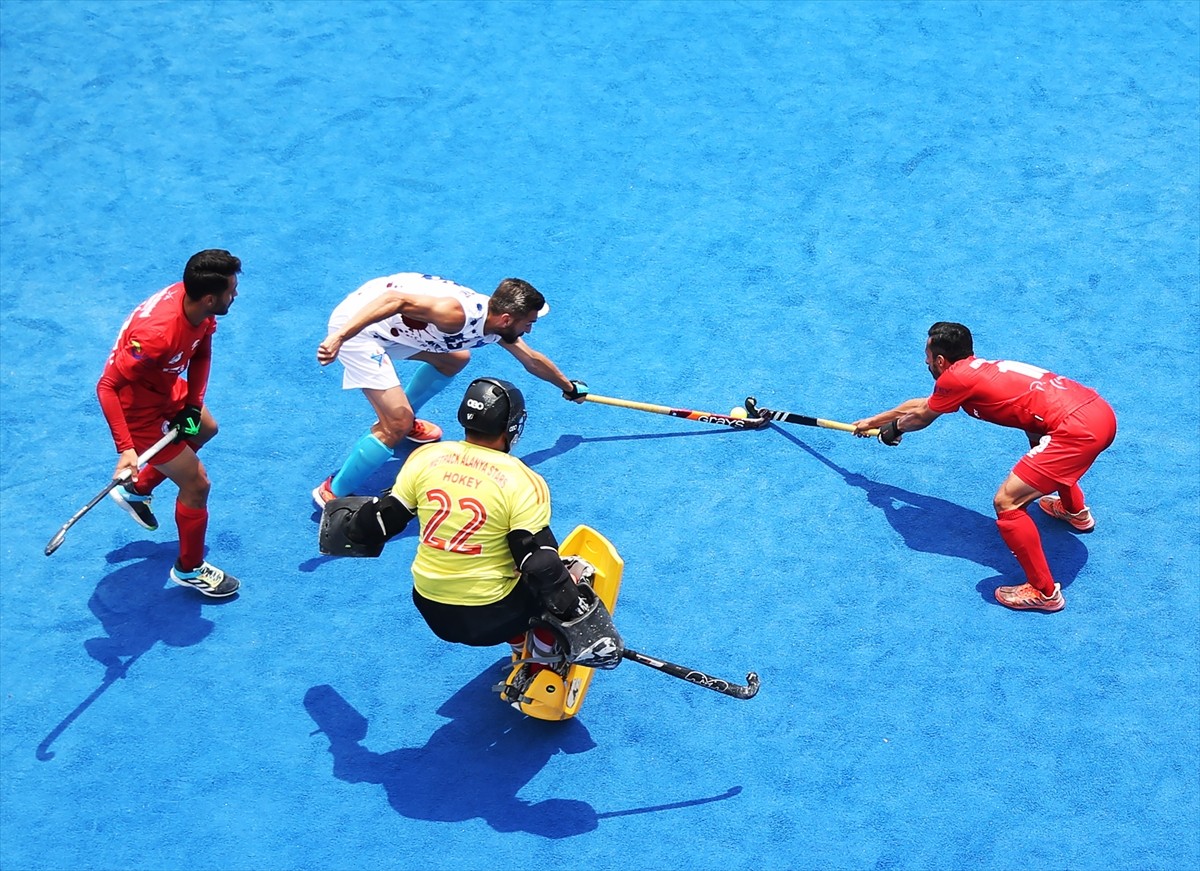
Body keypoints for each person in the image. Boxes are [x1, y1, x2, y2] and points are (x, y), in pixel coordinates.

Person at [318, 377, 621, 675]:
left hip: (431, 609)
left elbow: (382, 521)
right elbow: (539, 564)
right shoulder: (523, 480)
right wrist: (582, 620)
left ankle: (519, 645)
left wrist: (353, 522)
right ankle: (543, 660)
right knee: (572, 569)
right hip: (495, 615)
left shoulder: (426, 457)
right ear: (512, 425)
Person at [850, 322, 1117, 613]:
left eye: (927, 356)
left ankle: (1044, 592)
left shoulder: (954, 379)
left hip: (1076, 433)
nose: (925, 362)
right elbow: (926, 404)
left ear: (940, 360)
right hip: (1098, 413)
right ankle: (1073, 510)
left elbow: (922, 417)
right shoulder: (974, 370)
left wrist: (893, 430)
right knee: (1037, 437)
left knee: (1007, 502)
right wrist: (873, 421)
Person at [312, 273, 589, 509]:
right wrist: (339, 337)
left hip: (395, 329)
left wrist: (568, 387)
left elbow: (531, 359)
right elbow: (392, 301)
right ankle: (332, 491)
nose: (528, 330)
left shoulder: (494, 322)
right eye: (528, 323)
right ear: (506, 319)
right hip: (358, 329)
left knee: (454, 358)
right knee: (395, 423)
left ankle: (406, 423)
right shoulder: (454, 315)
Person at [96, 249, 242, 597]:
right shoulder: (155, 336)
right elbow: (107, 386)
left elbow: (201, 351)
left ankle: (136, 489)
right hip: (138, 411)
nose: (235, 295)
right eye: (231, 290)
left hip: (164, 387)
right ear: (210, 297)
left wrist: (193, 404)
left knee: (205, 427)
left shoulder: (197, 306)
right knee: (197, 484)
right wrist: (127, 449)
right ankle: (189, 569)